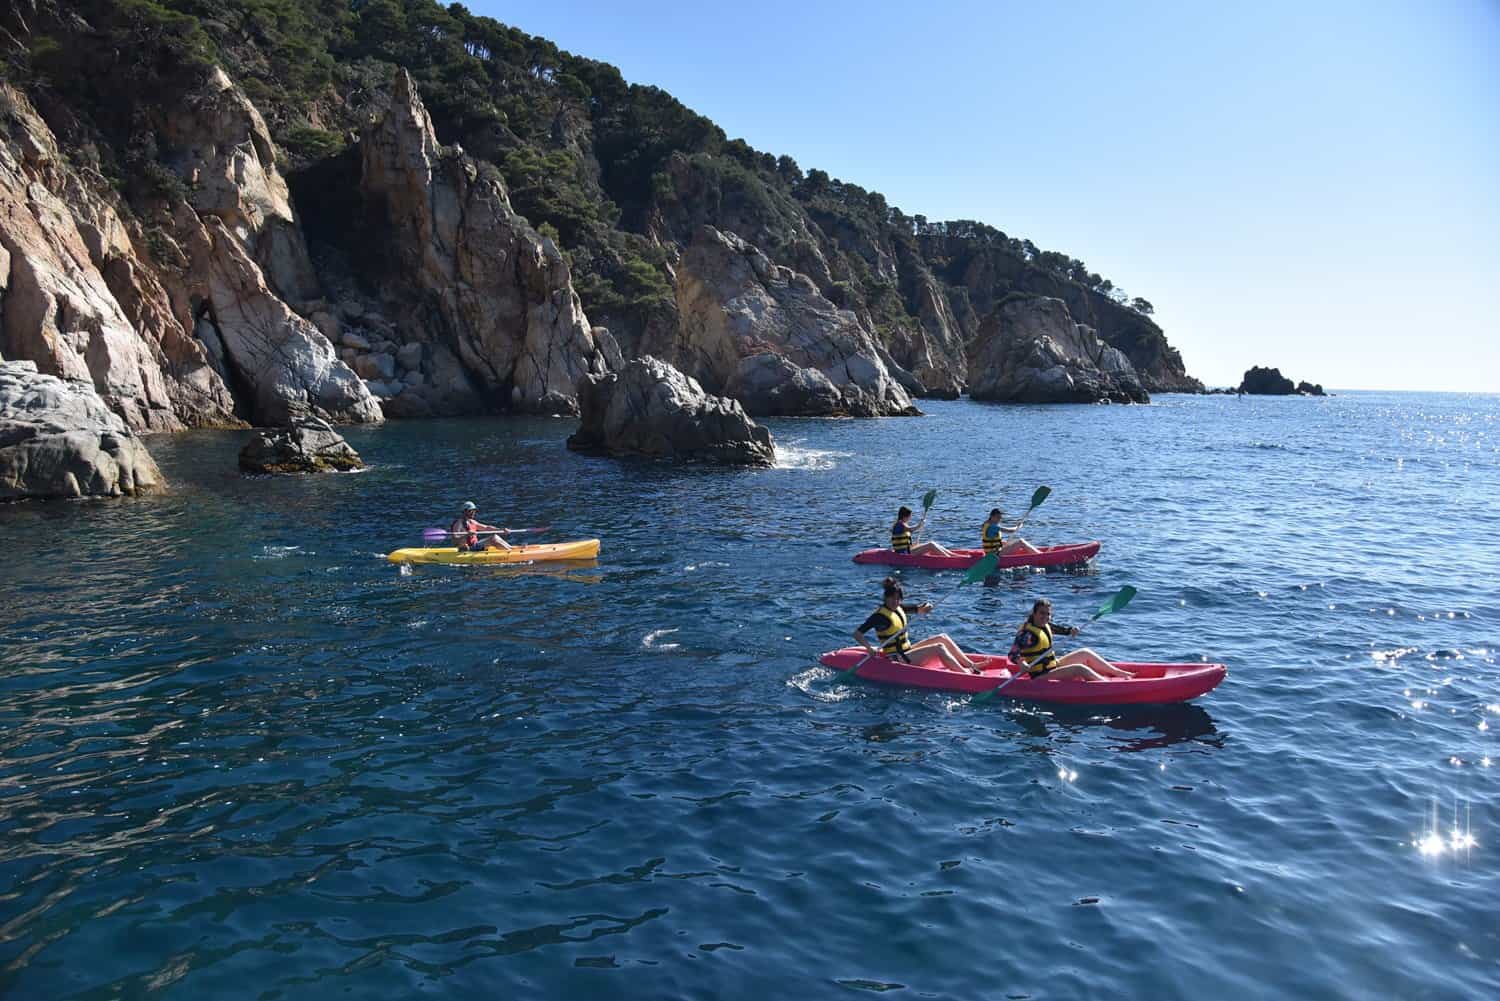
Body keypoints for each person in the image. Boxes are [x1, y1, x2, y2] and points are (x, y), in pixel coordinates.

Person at [854, 577, 981, 673]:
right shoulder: (879, 616)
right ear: (885, 598)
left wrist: (927, 607)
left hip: (907, 651)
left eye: (898, 599)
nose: (895, 601)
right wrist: (870, 649)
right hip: (897, 658)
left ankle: (971, 665)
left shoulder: (900, 608)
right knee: (939, 647)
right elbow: (857, 634)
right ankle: (964, 674)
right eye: (892, 598)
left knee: (942, 637)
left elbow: (920, 609)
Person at [1007, 597, 1133, 681]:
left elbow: (1059, 630)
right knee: (1079, 668)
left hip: (1052, 666)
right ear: (1034, 613)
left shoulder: (1044, 625)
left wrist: (1070, 631)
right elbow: (1013, 653)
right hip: (1040, 676)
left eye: (1048, 614)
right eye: (1042, 613)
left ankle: (1119, 673)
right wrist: (1021, 663)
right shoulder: (1027, 634)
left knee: (1085, 652)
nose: (1045, 616)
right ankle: (1106, 684)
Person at [890, 505, 956, 558]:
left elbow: (905, 543)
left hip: (908, 550)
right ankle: (950, 559)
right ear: (905, 516)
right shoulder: (899, 525)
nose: (910, 518)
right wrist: (920, 524)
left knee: (932, 542)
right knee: (931, 545)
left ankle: (953, 555)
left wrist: (914, 545)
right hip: (904, 554)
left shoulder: (902, 524)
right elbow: (911, 529)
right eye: (910, 516)